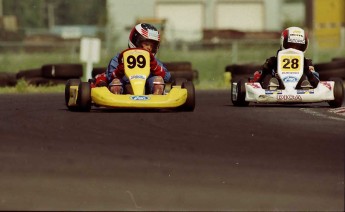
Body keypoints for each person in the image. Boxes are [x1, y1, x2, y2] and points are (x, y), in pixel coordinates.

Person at [94, 23, 171, 95]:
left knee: (158, 80)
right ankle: (116, 99)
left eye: (152, 46)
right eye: (146, 44)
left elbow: (167, 77)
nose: (149, 48)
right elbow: (109, 77)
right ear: (136, 41)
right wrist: (120, 70)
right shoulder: (119, 58)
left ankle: (156, 100)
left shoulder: (153, 61)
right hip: (125, 85)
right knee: (116, 82)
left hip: (147, 88)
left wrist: (156, 68)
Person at [251, 26, 319, 89]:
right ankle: (271, 86)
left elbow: (316, 81)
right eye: (291, 45)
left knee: (305, 76)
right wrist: (266, 68)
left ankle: (305, 86)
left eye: (297, 47)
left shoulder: (307, 62)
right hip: (278, 83)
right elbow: (260, 78)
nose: (293, 50)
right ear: (283, 42)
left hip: (299, 85)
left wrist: (306, 69)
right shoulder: (273, 60)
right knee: (268, 76)